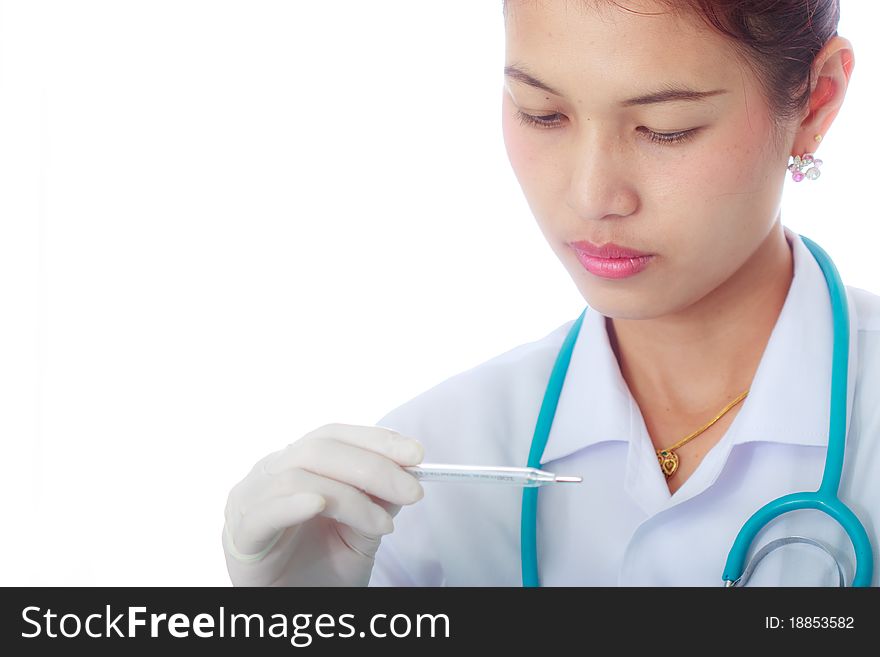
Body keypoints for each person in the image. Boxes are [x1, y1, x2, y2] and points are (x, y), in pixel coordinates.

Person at [221, 0, 880, 586]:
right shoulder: (425, 465)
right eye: (543, 114)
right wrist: (302, 621)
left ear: (816, 100)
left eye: (666, 127)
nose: (592, 196)